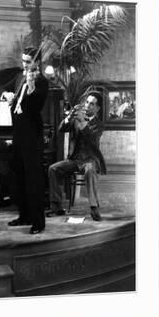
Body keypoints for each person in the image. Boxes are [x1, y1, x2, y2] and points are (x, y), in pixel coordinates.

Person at [5, 47, 49, 234]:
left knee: (33, 180)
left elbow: (34, 106)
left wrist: (31, 88)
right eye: (23, 61)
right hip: (18, 134)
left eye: (28, 61)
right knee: (19, 177)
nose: (25, 64)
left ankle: (38, 222)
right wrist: (6, 94)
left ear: (37, 62)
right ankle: (24, 216)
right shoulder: (18, 77)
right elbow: (1, 87)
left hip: (32, 135)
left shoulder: (41, 82)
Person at [46, 93, 106, 221]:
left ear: (97, 108)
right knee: (53, 169)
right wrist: (69, 116)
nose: (87, 105)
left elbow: (91, 138)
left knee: (89, 170)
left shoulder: (99, 124)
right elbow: (61, 128)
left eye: (92, 104)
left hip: (90, 159)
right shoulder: (76, 118)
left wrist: (82, 120)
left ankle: (94, 206)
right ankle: (56, 208)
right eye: (87, 102)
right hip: (75, 159)